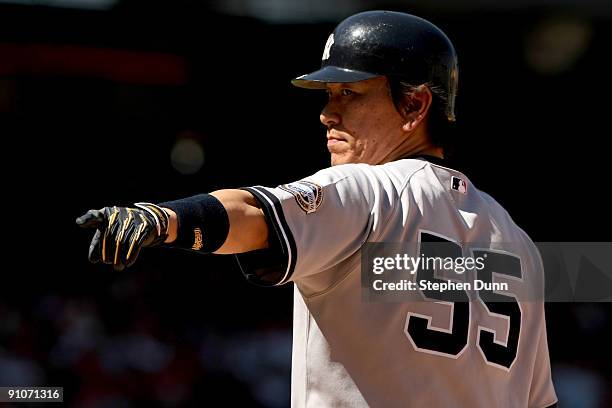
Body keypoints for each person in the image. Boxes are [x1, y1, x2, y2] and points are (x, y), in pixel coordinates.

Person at [77, 10, 557, 407]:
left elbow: (254, 216)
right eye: (329, 95)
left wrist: (165, 220)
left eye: (350, 93)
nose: (328, 113)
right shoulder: (516, 243)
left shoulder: (369, 191)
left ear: (414, 105)